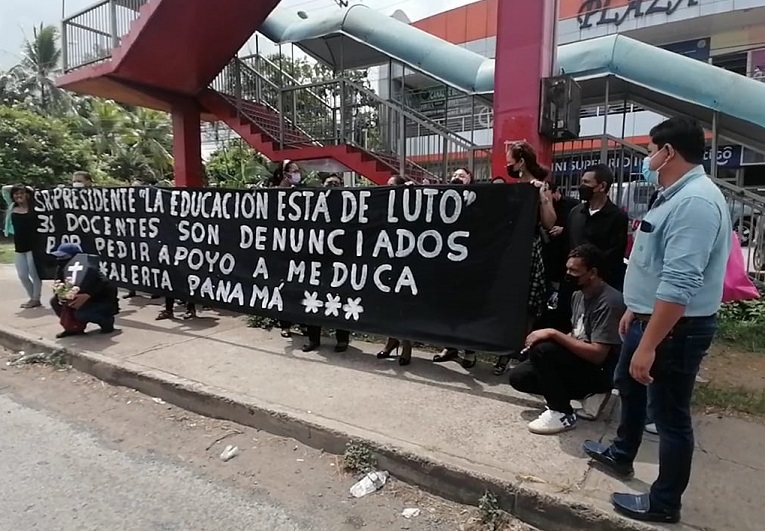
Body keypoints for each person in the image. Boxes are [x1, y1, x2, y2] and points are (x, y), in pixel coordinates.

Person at [583, 117, 731, 524]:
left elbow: (681, 281)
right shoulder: (672, 195)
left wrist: (650, 343)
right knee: (629, 388)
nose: (648, 156)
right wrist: (635, 307)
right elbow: (654, 262)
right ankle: (621, 454)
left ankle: (665, 502)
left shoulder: (696, 202)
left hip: (674, 330)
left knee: (670, 416)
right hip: (649, 317)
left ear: (669, 152)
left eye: (650, 149)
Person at [509, 245, 624, 435]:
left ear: (592, 272)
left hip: (600, 370)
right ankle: (585, 395)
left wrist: (553, 334)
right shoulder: (578, 296)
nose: (569, 275)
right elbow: (577, 333)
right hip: (580, 362)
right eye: (567, 269)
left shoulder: (609, 302)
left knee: (544, 349)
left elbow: (598, 355)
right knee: (520, 376)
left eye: (574, 271)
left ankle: (562, 411)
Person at [491, 141, 556, 375]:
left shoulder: (540, 187)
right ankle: (504, 351)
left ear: (521, 162)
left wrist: (541, 197)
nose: (507, 166)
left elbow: (549, 222)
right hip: (510, 251)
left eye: (510, 162)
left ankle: (523, 350)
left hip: (530, 250)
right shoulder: (513, 188)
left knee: (528, 303)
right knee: (507, 301)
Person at [433, 168, 478, 369]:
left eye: (462, 176)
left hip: (469, 264)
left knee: (467, 308)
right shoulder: (443, 198)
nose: (456, 177)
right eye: (454, 175)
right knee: (446, 308)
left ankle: (469, 350)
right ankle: (449, 347)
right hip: (446, 263)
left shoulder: (479, 198)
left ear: (470, 180)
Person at [303, 174, 351, 353]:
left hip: (341, 263)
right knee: (313, 301)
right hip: (317, 263)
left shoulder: (350, 206)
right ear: (322, 186)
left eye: (336, 184)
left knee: (340, 301)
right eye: (329, 183)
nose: (333, 186)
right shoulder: (313, 205)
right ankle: (313, 339)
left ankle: (342, 340)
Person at [568, 164, 629, 290]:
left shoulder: (617, 217)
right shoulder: (576, 213)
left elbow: (614, 256)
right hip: (573, 283)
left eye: (586, 182)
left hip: (600, 287)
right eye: (582, 182)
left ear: (602, 186)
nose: (582, 186)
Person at [50, 242, 119, 338]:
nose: (60, 260)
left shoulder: (90, 269)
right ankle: (73, 328)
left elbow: (108, 285)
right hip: (76, 300)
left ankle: (107, 322)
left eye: (64, 257)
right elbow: (58, 283)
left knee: (82, 314)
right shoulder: (61, 268)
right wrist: (62, 295)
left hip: (98, 301)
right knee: (55, 301)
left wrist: (88, 294)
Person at [269, 160, 302, 337]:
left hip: (298, 247)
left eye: (298, 171)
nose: (297, 175)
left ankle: (302, 323)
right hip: (280, 247)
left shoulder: (301, 192)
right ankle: (285, 325)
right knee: (283, 286)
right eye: (294, 171)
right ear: (285, 173)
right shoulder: (272, 193)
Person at [2, 184, 42, 308]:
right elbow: (4, 190)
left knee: (34, 274)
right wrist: (20, 187)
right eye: (16, 194)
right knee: (22, 275)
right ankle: (32, 298)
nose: (18, 196)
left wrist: (28, 188)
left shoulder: (36, 208)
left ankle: (35, 299)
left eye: (21, 193)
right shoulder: (12, 207)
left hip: (34, 246)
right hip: (19, 246)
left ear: (27, 195)